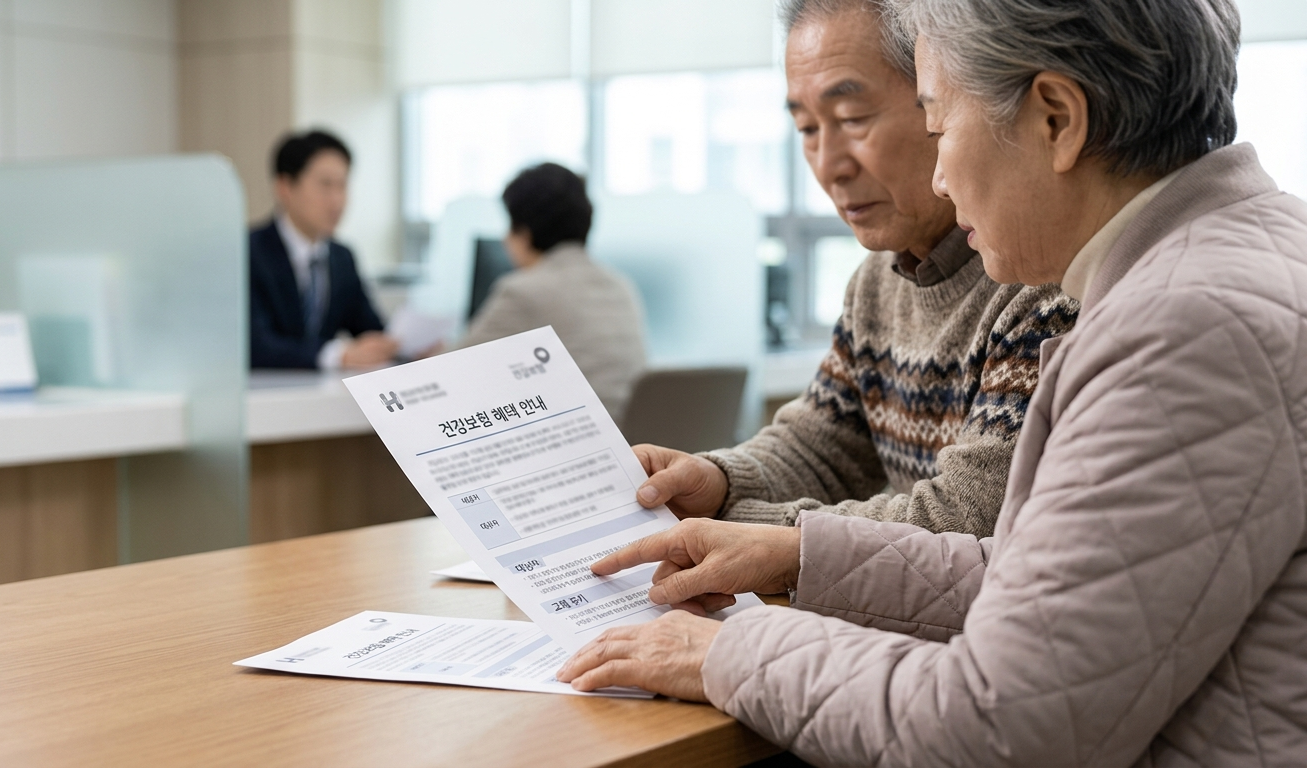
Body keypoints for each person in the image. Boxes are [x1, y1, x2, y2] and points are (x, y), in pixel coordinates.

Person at [559, 0, 1307, 765]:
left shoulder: (1181, 328)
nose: (943, 178)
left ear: (1056, 118)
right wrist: (797, 553)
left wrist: (725, 651)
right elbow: (1035, 571)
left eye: (939, 123)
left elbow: (999, 724)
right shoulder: (1225, 267)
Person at [630, 0, 1077, 541]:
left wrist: (738, 523)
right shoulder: (876, 279)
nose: (828, 164)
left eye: (852, 118)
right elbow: (822, 443)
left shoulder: (1041, 274)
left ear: (945, 101)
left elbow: (970, 521)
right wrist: (717, 482)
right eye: (807, 128)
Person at [454, 163, 647, 421]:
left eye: (510, 226)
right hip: (638, 444)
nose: (505, 239)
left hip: (574, 442)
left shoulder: (523, 291)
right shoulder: (620, 285)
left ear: (524, 233)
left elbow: (451, 373)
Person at [250, 130, 398, 370]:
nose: (337, 200)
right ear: (285, 187)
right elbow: (256, 344)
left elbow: (369, 326)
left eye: (343, 185)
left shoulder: (341, 256)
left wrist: (400, 346)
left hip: (322, 393)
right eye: (325, 185)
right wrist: (336, 355)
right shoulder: (249, 253)